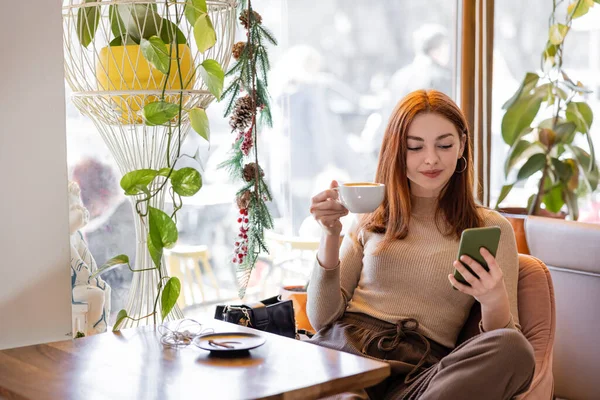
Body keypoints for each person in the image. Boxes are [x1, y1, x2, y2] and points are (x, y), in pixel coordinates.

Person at [307, 90, 534, 399]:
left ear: (462, 146)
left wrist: (494, 298)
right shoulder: (373, 215)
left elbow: (503, 343)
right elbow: (321, 318)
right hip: (347, 356)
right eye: (415, 147)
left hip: (420, 376)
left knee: (515, 350)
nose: (431, 159)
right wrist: (330, 233)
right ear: (398, 151)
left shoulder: (490, 228)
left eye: (444, 145)